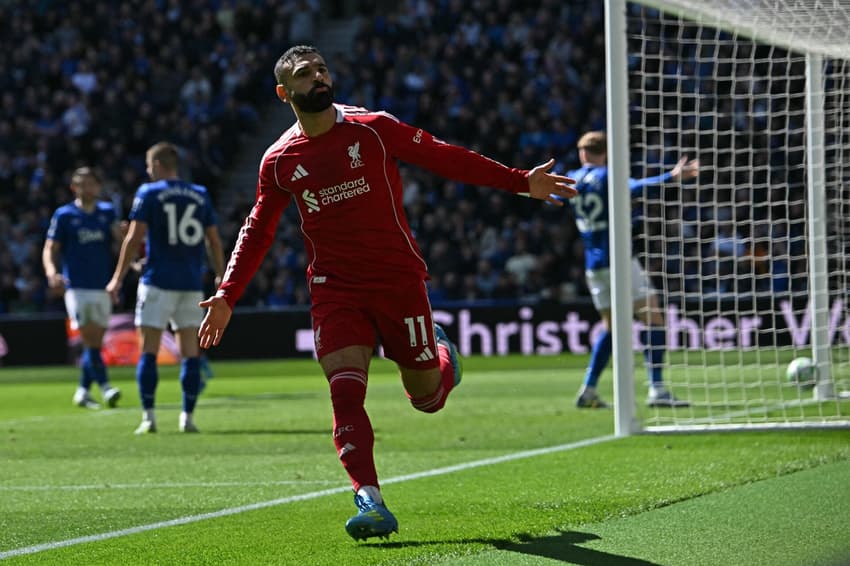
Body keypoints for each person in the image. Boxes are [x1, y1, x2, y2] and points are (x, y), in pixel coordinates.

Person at [196, 45, 577, 541]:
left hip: (398, 281)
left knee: (427, 399)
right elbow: (257, 228)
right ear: (284, 92)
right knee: (345, 389)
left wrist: (521, 182)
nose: (318, 79)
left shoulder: (373, 129)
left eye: (322, 70)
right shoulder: (279, 160)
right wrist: (227, 293)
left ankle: (442, 359)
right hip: (335, 287)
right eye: (305, 75)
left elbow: (445, 157)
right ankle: (369, 499)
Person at [565, 131, 698, 409]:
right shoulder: (607, 177)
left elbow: (552, 194)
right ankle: (657, 388)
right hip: (620, 260)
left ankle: (588, 388)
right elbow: (636, 188)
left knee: (612, 328)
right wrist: (672, 177)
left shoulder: (573, 178)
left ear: (582, 153)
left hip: (594, 266)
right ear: (606, 152)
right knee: (654, 319)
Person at [107, 142, 225, 435]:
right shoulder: (199, 194)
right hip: (190, 282)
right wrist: (221, 274)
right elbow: (214, 240)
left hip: (157, 281)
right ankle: (187, 417)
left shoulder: (149, 193)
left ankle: (149, 417)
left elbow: (134, 238)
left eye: (149, 167)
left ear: (157, 165)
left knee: (148, 351)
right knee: (190, 353)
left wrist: (117, 278)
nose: (149, 173)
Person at [43, 167, 124, 409]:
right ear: (73, 188)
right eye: (82, 184)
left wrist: (128, 246)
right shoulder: (65, 215)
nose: (87, 188)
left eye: (91, 183)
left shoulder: (107, 213)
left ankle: (82, 391)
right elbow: (50, 248)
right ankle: (106, 387)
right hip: (77, 287)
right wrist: (51, 272)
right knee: (90, 339)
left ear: (98, 186)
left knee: (95, 343)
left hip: (103, 286)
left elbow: (120, 243)